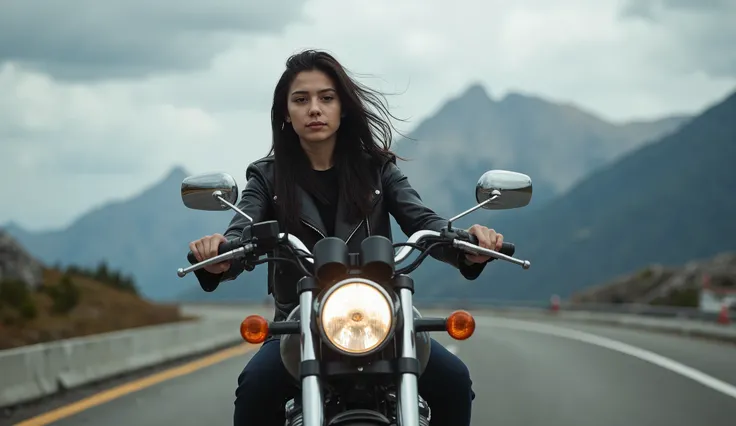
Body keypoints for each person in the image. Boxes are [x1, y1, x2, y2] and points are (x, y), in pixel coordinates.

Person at [188, 49, 505, 426]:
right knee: (255, 387)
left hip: (382, 320)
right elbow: (244, 225)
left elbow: (421, 219)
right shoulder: (267, 177)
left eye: (326, 97)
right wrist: (222, 253)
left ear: (343, 108)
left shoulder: (377, 168)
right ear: (286, 113)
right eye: (301, 99)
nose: (315, 109)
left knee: (454, 381)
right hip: (300, 324)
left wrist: (467, 244)